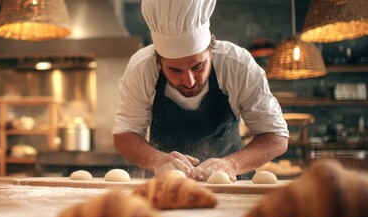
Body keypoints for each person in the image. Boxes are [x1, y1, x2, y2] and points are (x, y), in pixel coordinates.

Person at [113, 0, 289, 182]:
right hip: (164, 188)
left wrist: (232, 164)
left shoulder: (238, 65)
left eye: (198, 66)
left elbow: (276, 137)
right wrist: (157, 161)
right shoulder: (141, 68)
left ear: (211, 50)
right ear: (158, 61)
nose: (189, 81)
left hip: (231, 187)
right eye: (175, 70)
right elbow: (125, 134)